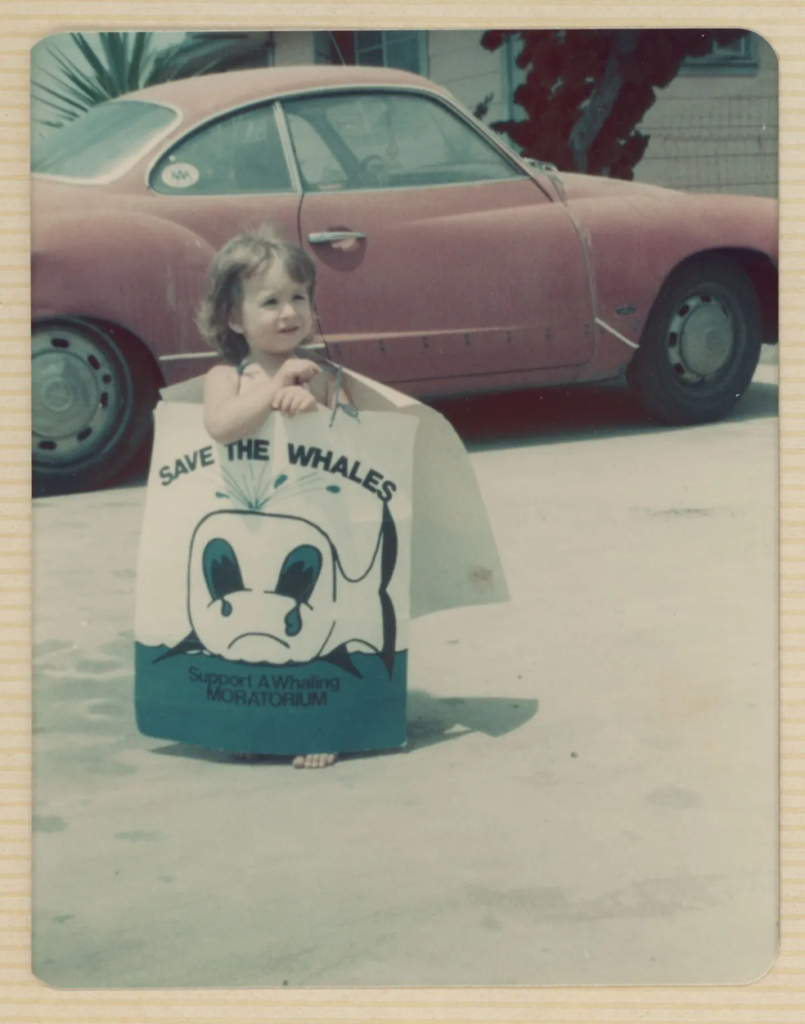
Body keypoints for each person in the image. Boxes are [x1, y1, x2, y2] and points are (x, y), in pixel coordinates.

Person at [197, 224, 342, 770]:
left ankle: (318, 725)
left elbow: (347, 443)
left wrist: (314, 401)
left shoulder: (322, 373)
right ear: (235, 319)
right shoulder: (225, 377)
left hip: (310, 526)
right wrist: (278, 383)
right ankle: (248, 722)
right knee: (246, 622)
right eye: (271, 301)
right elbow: (221, 425)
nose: (289, 313)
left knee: (312, 619)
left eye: (298, 298)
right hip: (248, 527)